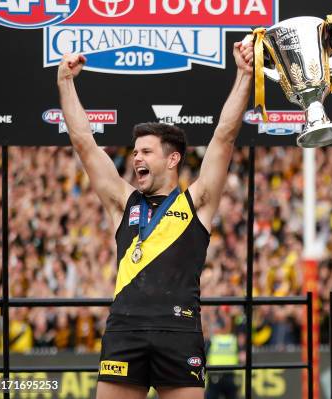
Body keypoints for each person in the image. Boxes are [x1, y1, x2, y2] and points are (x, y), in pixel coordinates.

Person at [57, 39, 253, 399]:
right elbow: (84, 142)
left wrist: (243, 74)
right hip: (124, 331)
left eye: (146, 151)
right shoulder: (122, 201)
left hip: (178, 333)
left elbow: (224, 136)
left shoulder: (198, 202)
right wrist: (65, 83)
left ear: (173, 159)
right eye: (134, 152)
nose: (136, 159)